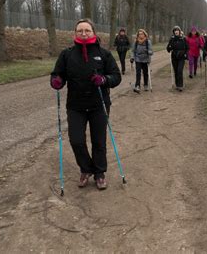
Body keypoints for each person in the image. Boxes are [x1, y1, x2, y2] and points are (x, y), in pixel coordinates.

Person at [50, 18, 121, 190]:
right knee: (76, 140)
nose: (83, 33)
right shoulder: (67, 54)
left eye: (87, 30)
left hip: (99, 104)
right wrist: (56, 81)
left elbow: (116, 77)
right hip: (76, 106)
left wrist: (104, 79)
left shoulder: (103, 54)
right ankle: (86, 169)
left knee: (99, 141)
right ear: (75, 33)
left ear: (93, 33)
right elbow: (56, 74)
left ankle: (99, 173)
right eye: (80, 30)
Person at [130, 29, 153, 93]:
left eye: (142, 34)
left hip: (146, 59)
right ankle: (137, 86)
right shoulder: (136, 42)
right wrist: (132, 57)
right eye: (139, 34)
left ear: (145, 34)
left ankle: (145, 84)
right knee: (138, 73)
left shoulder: (148, 41)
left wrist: (149, 52)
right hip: (138, 59)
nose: (140, 35)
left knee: (145, 73)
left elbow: (151, 51)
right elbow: (133, 51)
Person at [166, 26, 188, 91]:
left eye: (177, 30)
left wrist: (185, 54)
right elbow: (168, 49)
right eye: (175, 30)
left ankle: (180, 85)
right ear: (173, 32)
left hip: (181, 57)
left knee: (179, 70)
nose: (176, 31)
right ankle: (177, 85)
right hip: (174, 57)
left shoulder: (183, 38)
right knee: (176, 71)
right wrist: (169, 48)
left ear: (179, 31)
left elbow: (187, 48)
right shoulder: (172, 39)